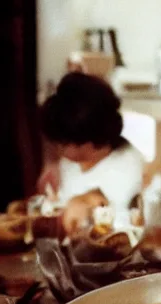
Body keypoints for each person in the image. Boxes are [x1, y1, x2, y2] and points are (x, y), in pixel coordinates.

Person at [39, 72, 146, 233]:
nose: (57, 147)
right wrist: (51, 163)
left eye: (63, 143)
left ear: (90, 141)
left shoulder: (126, 171)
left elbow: (113, 232)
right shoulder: (74, 159)